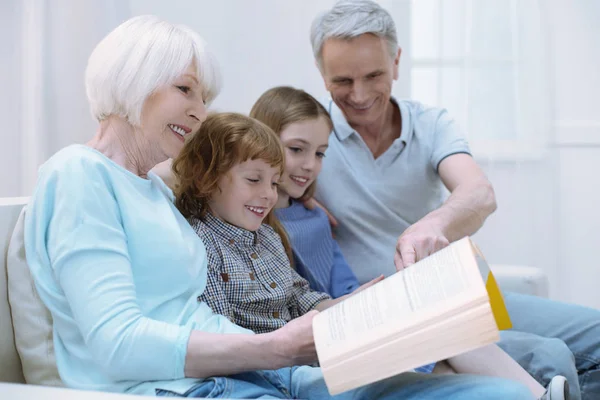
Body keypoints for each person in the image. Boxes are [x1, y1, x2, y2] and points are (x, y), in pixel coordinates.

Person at [22, 14, 533, 400]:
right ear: (132, 80)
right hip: (183, 387)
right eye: (185, 90)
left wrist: (346, 319)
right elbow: (116, 343)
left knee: (501, 391)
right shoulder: (79, 174)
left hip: (254, 369)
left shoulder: (153, 190)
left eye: (204, 96)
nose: (200, 112)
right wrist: (278, 347)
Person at [309, 1, 599, 399]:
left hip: (463, 291)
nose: (358, 95)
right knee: (550, 356)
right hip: (387, 315)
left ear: (396, 62)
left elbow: (479, 193)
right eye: (342, 81)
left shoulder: (431, 124)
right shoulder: (307, 142)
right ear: (322, 77)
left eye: (373, 75)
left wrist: (434, 224)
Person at [172, 106, 559, 399]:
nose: (268, 194)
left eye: (273, 182)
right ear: (207, 178)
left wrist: (348, 306)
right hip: (283, 365)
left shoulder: (268, 237)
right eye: (254, 180)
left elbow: (300, 297)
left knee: (447, 318)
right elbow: (220, 335)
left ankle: (538, 396)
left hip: (317, 344)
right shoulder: (200, 244)